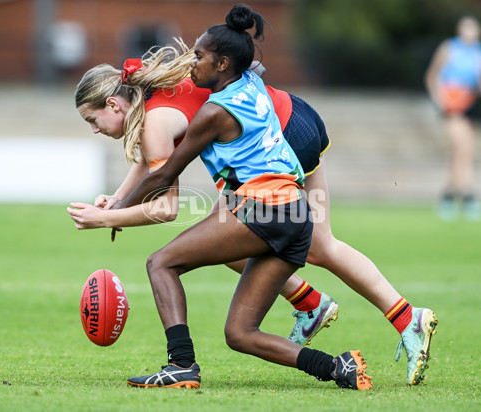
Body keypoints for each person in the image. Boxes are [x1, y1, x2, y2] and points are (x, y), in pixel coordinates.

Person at [69, 10, 438, 387]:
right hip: (293, 116)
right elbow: (154, 159)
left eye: (92, 121)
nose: (96, 130)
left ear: (114, 105)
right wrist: (118, 201)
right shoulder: (154, 90)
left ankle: (375, 313)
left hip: (273, 139)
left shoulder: (160, 117)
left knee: (304, 245)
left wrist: (111, 216)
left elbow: (164, 193)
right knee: (239, 243)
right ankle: (324, 309)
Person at [425, 16, 481, 221]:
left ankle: (450, 197)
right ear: (460, 30)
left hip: (470, 105)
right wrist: (438, 99)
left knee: (466, 152)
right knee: (462, 149)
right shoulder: (449, 48)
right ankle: (465, 197)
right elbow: (432, 76)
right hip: (452, 105)